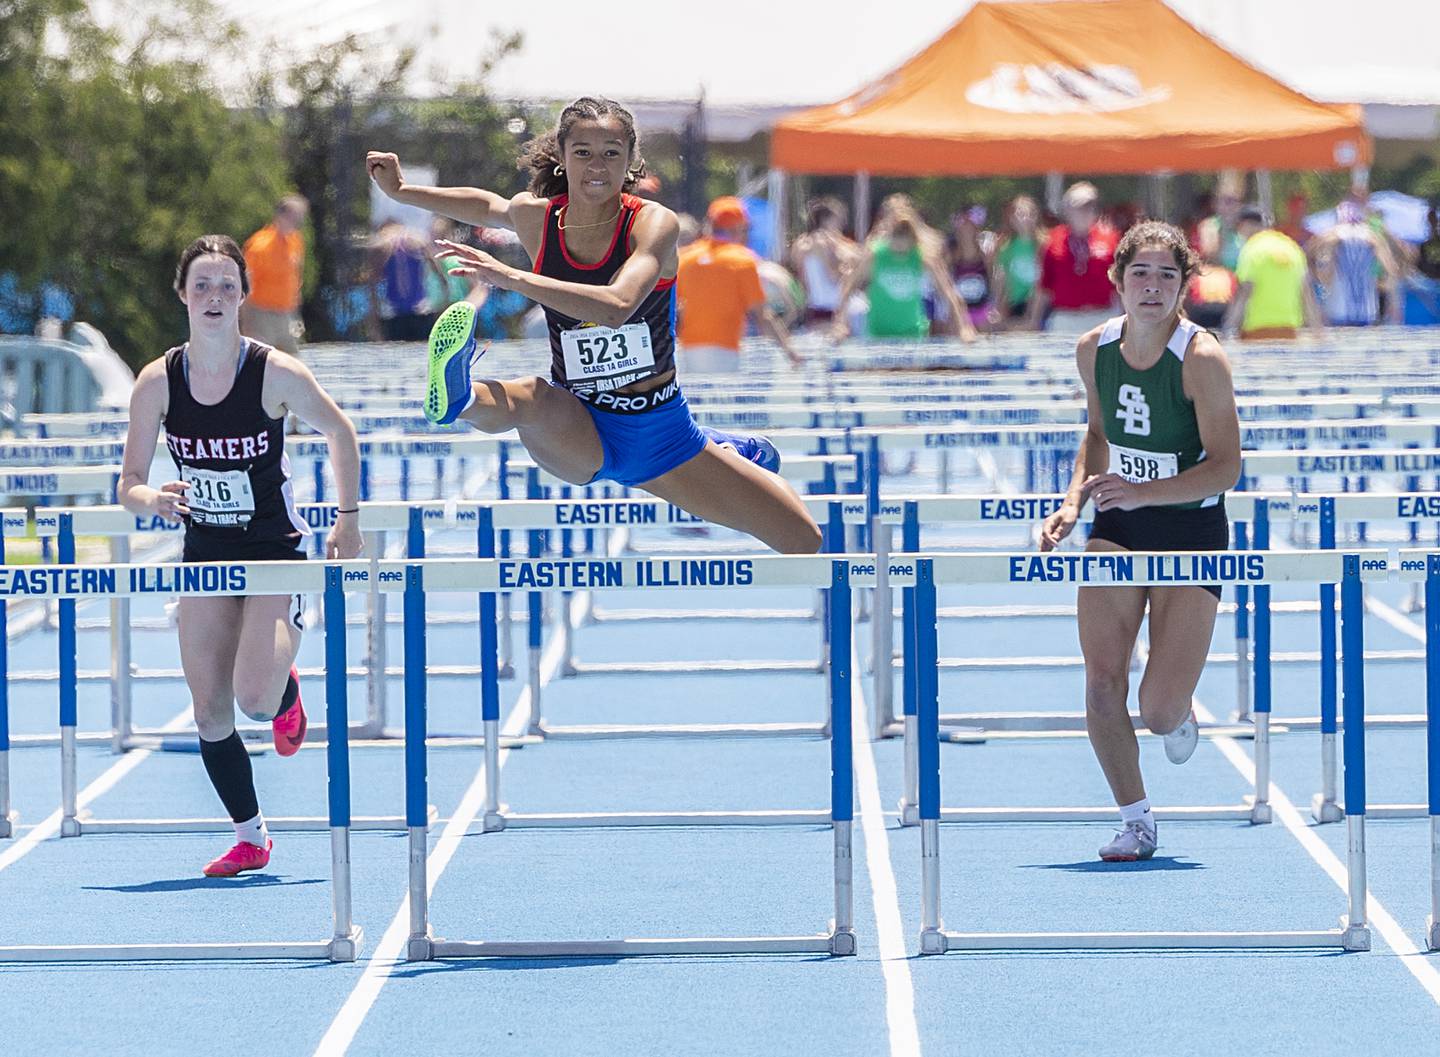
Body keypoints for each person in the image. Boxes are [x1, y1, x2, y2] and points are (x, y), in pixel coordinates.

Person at [365, 97, 820, 553]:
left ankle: (723, 448)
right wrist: (402, 192)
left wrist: (513, 277)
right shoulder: (539, 221)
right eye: (582, 152)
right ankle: (459, 398)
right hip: (579, 426)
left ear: (632, 162)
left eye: (611, 152)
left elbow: (618, 305)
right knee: (534, 397)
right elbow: (488, 206)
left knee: (803, 539)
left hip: (661, 434)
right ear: (562, 157)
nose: (596, 165)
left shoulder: (651, 223)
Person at [118, 235, 362, 877]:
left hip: (273, 554)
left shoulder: (274, 372)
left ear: (246, 297)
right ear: (182, 295)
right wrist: (155, 498)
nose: (215, 296)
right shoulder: (158, 382)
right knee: (209, 709)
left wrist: (349, 520)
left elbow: (341, 431)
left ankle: (283, 690)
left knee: (253, 699)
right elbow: (129, 484)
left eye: (228, 285)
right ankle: (251, 835)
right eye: (202, 285)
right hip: (205, 557)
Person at [1038, 220, 1241, 863]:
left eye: (1166, 275)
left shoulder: (1201, 357)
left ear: (1185, 285)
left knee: (1156, 709)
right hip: (1119, 527)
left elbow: (1227, 466)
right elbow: (1097, 434)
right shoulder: (1092, 348)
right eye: (1140, 274)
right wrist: (1074, 501)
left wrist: (1144, 490)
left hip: (1191, 529)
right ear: (1116, 280)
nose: (1152, 287)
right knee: (1101, 682)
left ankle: (1178, 710)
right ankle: (1137, 820)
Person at [674, 196, 801, 373]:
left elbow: (674, 308)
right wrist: (789, 350)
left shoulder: (685, 258)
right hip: (724, 350)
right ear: (737, 229)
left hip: (685, 350)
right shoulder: (742, 260)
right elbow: (762, 315)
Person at [830, 206, 977, 343]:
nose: (900, 244)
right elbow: (848, 287)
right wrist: (840, 323)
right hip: (879, 334)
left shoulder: (922, 258)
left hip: (912, 333)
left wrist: (964, 328)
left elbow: (948, 293)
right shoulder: (875, 257)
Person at [1027, 182, 1119, 334]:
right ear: (1067, 210)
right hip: (1066, 318)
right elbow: (1043, 286)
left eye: (1090, 206)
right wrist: (1034, 320)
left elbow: (1121, 284)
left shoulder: (1110, 238)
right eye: (1080, 206)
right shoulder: (1052, 241)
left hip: (1102, 316)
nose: (1085, 211)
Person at [1222, 205, 1320, 340]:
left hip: (1256, 332)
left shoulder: (1252, 249)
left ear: (1245, 225)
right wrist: (1318, 333)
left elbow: (1245, 291)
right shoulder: (1291, 247)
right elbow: (1307, 294)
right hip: (1289, 332)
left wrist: (1228, 328)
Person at [1308, 200, 1401, 327]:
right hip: (1367, 311)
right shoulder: (1372, 237)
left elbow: (1311, 254)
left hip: (1338, 310)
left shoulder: (1332, 235)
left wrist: (1316, 277)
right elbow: (1390, 269)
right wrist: (1389, 296)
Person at [240, 195, 308, 356]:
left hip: (287, 313)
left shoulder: (296, 241)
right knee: (260, 359)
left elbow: (296, 274)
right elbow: (244, 282)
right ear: (280, 216)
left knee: (292, 361)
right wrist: (246, 321)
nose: (297, 222)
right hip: (261, 313)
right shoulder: (259, 246)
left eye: (299, 218)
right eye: (293, 217)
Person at [789, 197, 860, 330]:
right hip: (832, 305)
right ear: (826, 220)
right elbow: (833, 276)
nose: (841, 225)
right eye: (838, 220)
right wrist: (848, 270)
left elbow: (802, 279)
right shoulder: (823, 243)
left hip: (813, 306)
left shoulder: (800, 243)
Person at [941, 205, 998, 334]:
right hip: (960, 312)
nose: (966, 230)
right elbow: (945, 285)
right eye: (963, 226)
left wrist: (994, 307)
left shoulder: (985, 257)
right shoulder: (951, 258)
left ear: (976, 229)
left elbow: (994, 282)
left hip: (981, 309)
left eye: (970, 226)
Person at [992, 194, 1043, 327]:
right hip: (1016, 303)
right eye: (1020, 214)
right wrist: (997, 306)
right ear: (1012, 219)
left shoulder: (1043, 244)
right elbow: (1001, 280)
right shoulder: (1006, 247)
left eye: (1029, 214)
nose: (1024, 219)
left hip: (1040, 304)